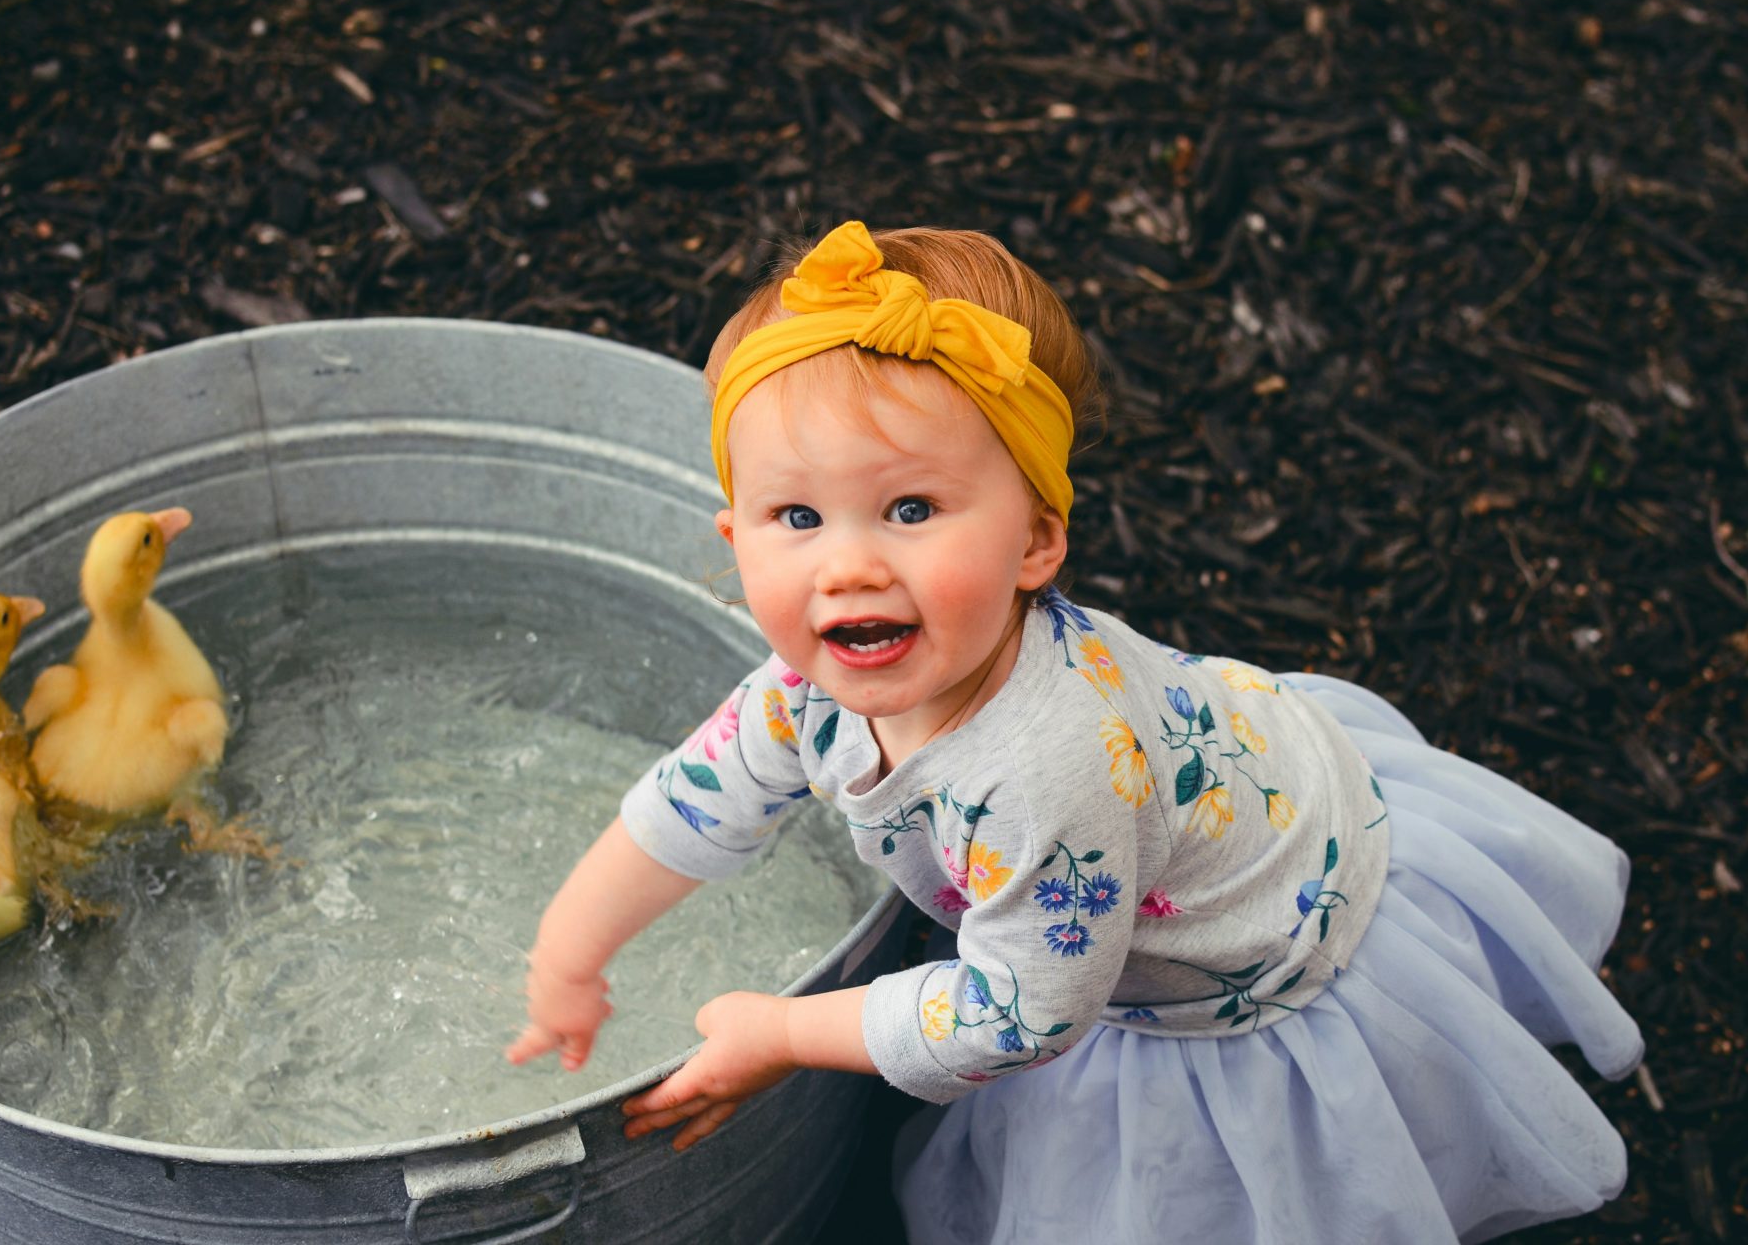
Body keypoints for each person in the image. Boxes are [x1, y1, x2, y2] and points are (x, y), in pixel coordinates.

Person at [504, 219, 1642, 1242]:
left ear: (1037, 541)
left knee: (1196, 1196)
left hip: (1245, 948)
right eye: (796, 516)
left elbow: (1020, 1017)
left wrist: (784, 1033)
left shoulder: (1040, 772)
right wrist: (571, 948)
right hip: (1206, 791)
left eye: (911, 510)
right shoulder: (805, 689)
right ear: (734, 534)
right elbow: (691, 805)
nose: (848, 562)